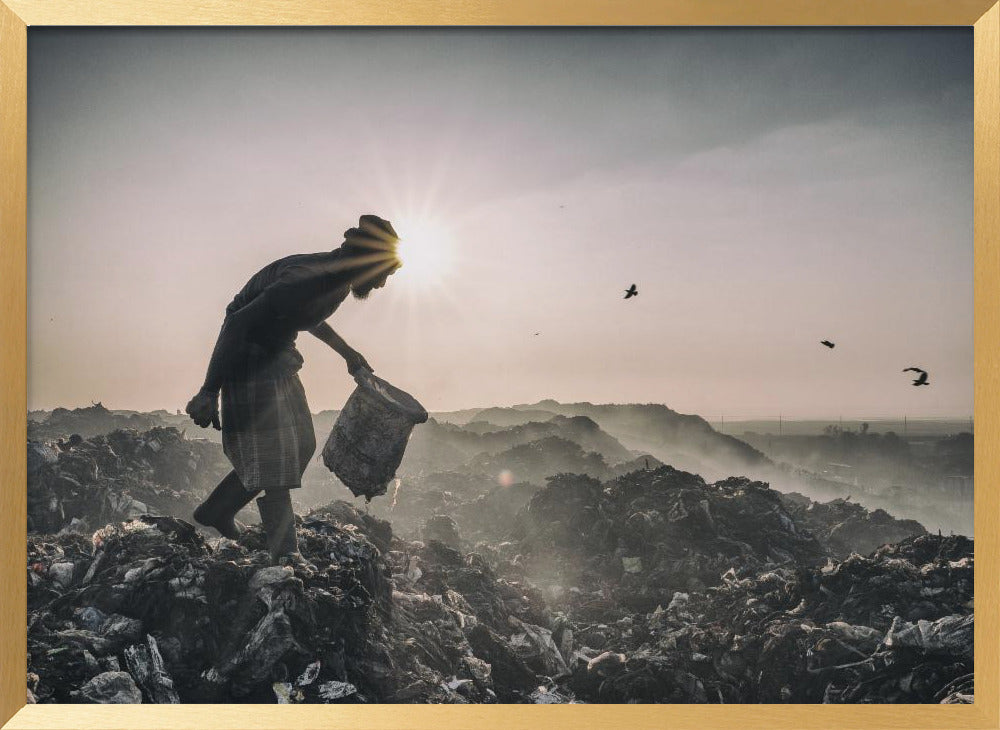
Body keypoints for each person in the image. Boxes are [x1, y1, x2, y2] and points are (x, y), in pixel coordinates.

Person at [185, 214, 401, 565]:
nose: (381, 285)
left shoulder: (337, 280)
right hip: (248, 362)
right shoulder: (303, 278)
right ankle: (287, 554)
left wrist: (348, 354)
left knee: (300, 445)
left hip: (278, 358)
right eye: (384, 275)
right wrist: (209, 391)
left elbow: (305, 315)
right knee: (276, 460)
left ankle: (217, 510)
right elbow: (238, 322)